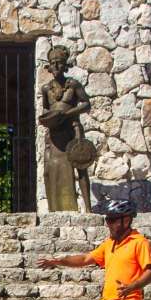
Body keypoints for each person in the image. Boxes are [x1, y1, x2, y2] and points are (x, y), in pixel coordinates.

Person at [38, 45, 91, 212]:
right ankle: (56, 208)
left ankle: (88, 209)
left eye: (59, 63)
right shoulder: (46, 88)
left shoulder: (73, 84)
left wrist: (68, 114)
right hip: (55, 133)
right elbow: (46, 109)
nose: (56, 66)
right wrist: (49, 119)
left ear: (65, 65)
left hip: (72, 130)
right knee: (51, 169)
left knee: (81, 166)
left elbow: (86, 104)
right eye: (52, 63)